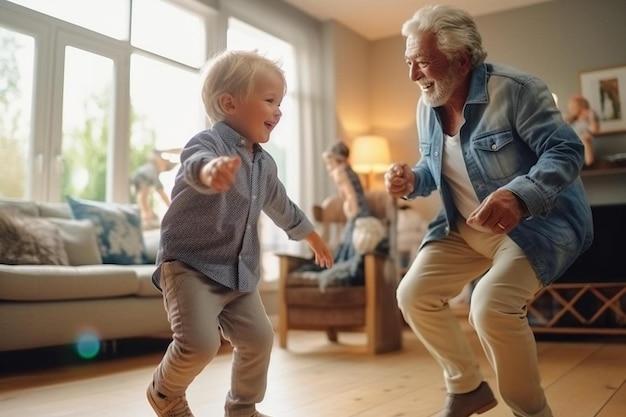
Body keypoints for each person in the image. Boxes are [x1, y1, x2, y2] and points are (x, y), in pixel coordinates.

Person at [385, 5, 593, 417]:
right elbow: (435, 167)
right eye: (408, 62)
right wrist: (412, 179)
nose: (413, 76)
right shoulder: (427, 103)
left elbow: (566, 150)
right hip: (466, 228)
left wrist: (518, 195)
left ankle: (531, 412)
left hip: (536, 226)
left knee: (490, 304)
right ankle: (466, 388)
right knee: (412, 294)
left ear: (462, 59)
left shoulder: (516, 90)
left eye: (422, 62)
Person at [146, 50, 334, 417]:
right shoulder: (208, 144)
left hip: (238, 271)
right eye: (269, 101)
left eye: (280, 102)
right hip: (190, 265)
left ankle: (242, 407)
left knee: (259, 339)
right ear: (229, 103)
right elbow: (193, 165)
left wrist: (311, 236)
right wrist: (209, 172)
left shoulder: (264, 163)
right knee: (199, 344)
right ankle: (165, 393)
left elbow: (282, 205)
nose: (278, 111)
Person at [131, 150, 177, 228]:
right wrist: (172, 207)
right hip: (141, 178)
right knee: (143, 198)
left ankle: (145, 218)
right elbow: (161, 192)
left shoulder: (150, 169)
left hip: (139, 178)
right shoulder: (151, 170)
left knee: (143, 198)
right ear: (158, 161)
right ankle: (145, 218)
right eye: (165, 163)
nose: (165, 166)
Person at [565, 94, 599, 166]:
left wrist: (591, 115)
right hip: (574, 149)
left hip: (586, 148)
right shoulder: (570, 121)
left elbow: (594, 130)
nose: (570, 110)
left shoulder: (589, 118)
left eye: (573, 108)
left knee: (585, 139)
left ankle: (589, 165)